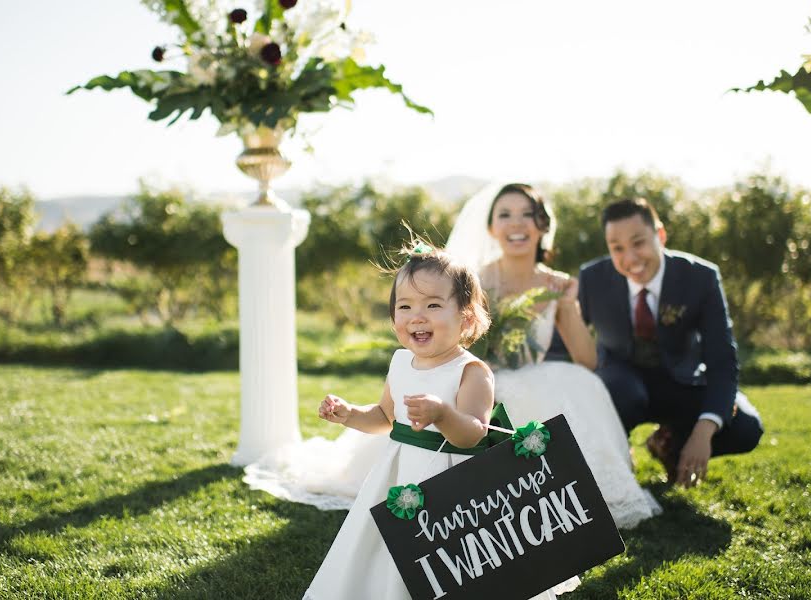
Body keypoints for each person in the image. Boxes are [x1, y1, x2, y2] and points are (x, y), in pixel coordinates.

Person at [303, 242, 568, 600]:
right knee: (389, 553)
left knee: (451, 563)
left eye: (432, 305)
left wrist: (443, 414)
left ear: (466, 317)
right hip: (399, 480)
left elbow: (474, 434)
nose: (417, 316)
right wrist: (349, 414)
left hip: (453, 489)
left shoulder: (471, 372)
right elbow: (384, 417)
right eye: (405, 306)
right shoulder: (400, 362)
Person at [445, 182, 661, 530]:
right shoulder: (474, 281)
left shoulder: (557, 285)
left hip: (532, 371)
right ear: (491, 229)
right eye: (505, 215)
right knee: (517, 393)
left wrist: (568, 306)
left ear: (543, 225)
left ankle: (581, 494)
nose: (517, 224)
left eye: (527, 215)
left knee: (582, 382)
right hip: (481, 376)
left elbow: (587, 360)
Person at [577, 197, 764, 488]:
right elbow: (571, 339)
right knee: (622, 392)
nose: (630, 258)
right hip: (621, 384)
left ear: (660, 235)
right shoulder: (591, 279)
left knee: (747, 428)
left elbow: (722, 360)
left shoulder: (701, 277)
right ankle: (613, 458)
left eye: (638, 242)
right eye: (617, 248)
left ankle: (669, 444)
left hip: (681, 382)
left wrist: (703, 432)